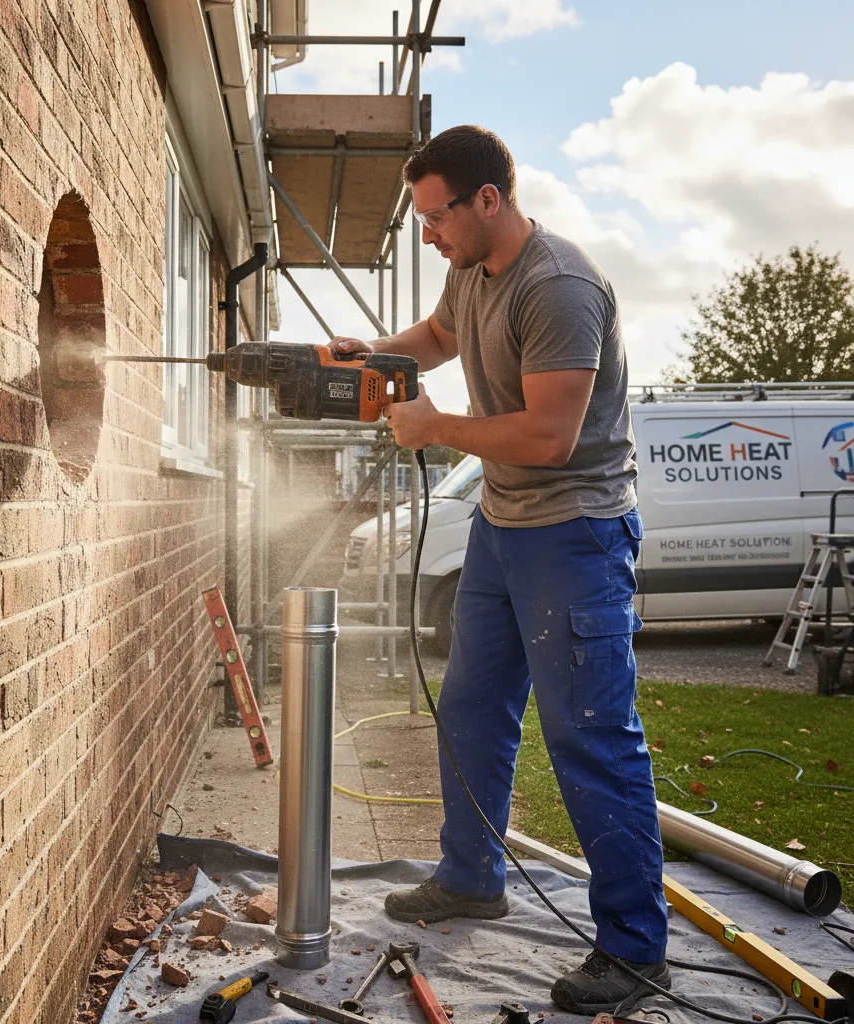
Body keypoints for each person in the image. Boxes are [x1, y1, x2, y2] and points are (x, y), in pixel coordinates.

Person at [329, 125, 669, 1016]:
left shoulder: (558, 285)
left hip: (575, 535)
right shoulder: (471, 269)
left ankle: (635, 949)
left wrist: (437, 428)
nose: (428, 235)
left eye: (436, 216)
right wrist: (373, 355)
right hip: (502, 524)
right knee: (472, 707)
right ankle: (472, 875)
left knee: (590, 733)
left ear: (489, 200)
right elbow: (440, 334)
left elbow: (550, 437)